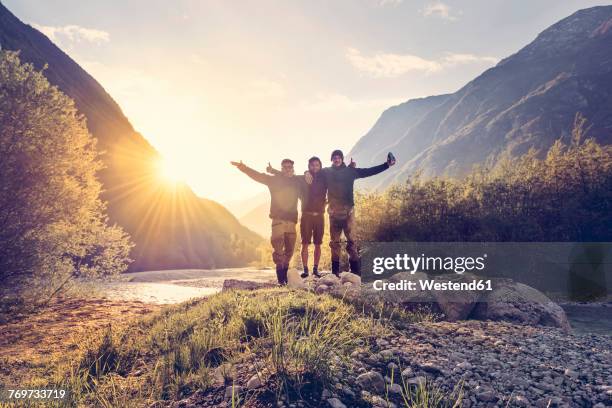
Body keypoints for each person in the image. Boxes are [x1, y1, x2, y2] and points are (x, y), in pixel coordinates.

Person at [308, 150, 396, 276]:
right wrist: (306, 172)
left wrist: (386, 165)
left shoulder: (350, 171)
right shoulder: (326, 172)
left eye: (339, 157)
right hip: (333, 213)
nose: (336, 159)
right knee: (334, 243)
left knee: (352, 242)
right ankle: (334, 273)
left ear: (342, 159)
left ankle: (354, 273)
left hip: (349, 212)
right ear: (331, 159)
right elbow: (314, 172)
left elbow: (368, 171)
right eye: (334, 157)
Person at [231, 159, 301, 285]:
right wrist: (243, 167)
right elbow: (257, 176)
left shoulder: (297, 181)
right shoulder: (273, 180)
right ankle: (281, 282)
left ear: (293, 169)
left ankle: (284, 278)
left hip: (291, 223)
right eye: (285, 167)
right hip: (278, 222)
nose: (287, 169)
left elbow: (312, 179)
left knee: (289, 252)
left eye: (290, 167)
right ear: (282, 169)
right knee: (279, 252)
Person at [268, 157, 326, 278]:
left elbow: (334, 189)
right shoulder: (302, 179)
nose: (315, 167)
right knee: (305, 243)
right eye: (312, 165)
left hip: (320, 216)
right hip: (306, 216)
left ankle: (315, 269)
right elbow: (288, 175)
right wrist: (274, 171)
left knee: (318, 244)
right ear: (309, 167)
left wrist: (329, 202)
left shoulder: (324, 178)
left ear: (320, 166)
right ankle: (305, 270)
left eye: (317, 165)